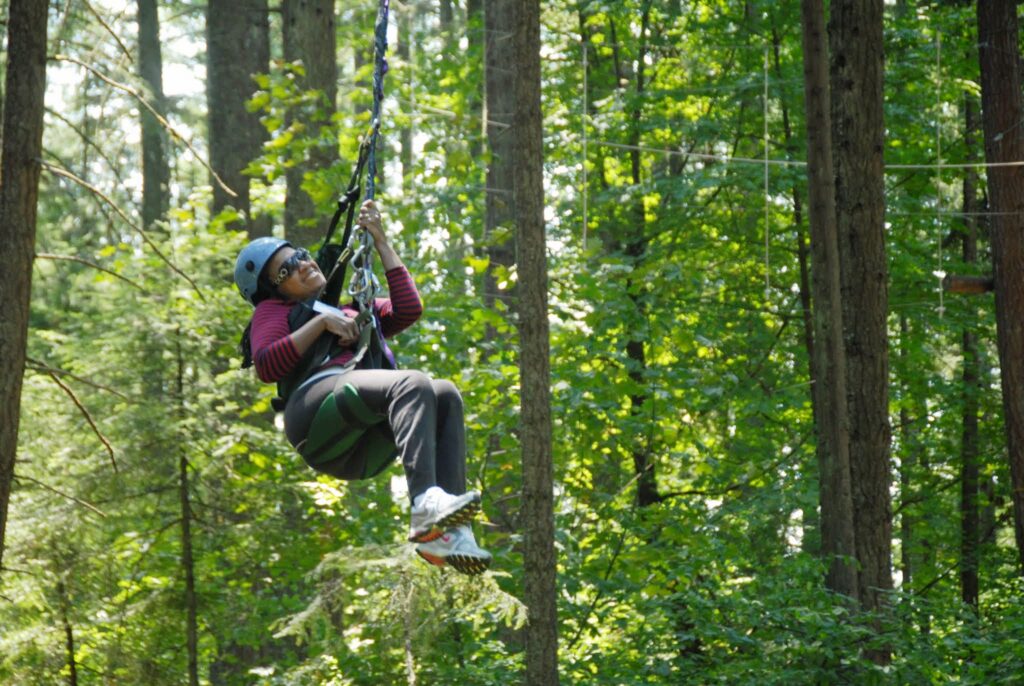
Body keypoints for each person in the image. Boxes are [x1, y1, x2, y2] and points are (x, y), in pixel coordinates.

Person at [234, 200, 491, 575]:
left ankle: (449, 532)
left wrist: (381, 241)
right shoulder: (273, 313)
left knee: (445, 393)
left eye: (301, 255)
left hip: (360, 439)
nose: (305, 264)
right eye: (286, 269)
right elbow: (267, 364)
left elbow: (408, 310)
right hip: (312, 415)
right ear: (275, 291)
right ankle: (425, 508)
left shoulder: (352, 311)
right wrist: (321, 325)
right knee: (413, 383)